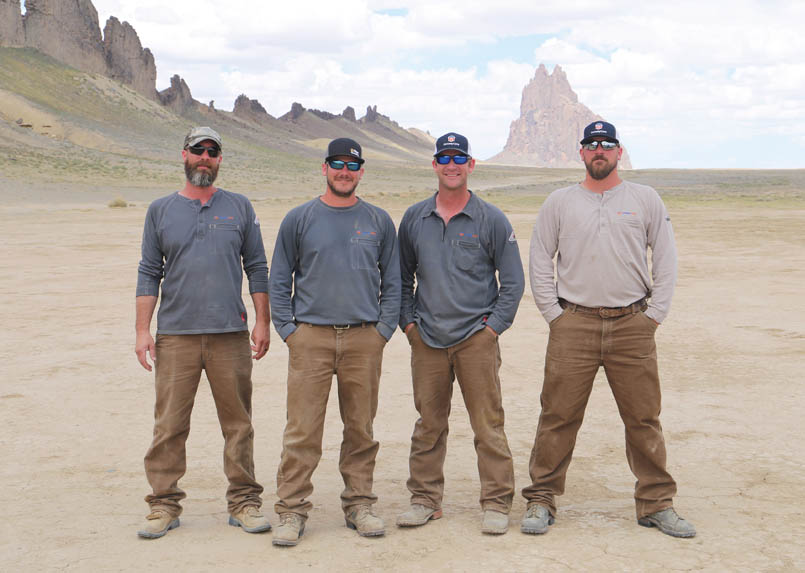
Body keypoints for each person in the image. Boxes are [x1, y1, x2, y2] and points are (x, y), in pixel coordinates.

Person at [522, 120, 696, 538]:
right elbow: (540, 258)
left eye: (607, 144)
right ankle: (541, 499)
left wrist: (654, 314)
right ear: (581, 153)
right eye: (591, 145)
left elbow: (666, 258)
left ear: (619, 152)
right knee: (558, 415)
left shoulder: (644, 199)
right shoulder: (560, 202)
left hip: (632, 324)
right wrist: (553, 313)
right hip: (573, 324)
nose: (599, 150)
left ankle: (655, 503)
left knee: (643, 417)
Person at [134, 127, 272, 539]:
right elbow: (148, 272)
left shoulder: (239, 207)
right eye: (199, 150)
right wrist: (143, 330)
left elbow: (257, 268)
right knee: (170, 424)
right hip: (175, 335)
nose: (205, 158)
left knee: (238, 424)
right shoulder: (161, 210)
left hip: (231, 334)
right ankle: (163, 504)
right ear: (184, 155)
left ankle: (244, 501)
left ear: (219, 160)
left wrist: (262, 321)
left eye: (213, 152)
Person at [268, 138, 400, 547]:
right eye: (338, 164)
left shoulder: (378, 221)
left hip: (364, 339)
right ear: (324, 168)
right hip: (311, 338)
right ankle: (291, 510)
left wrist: (382, 332)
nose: (345, 171)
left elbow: (393, 282)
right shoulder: (299, 219)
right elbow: (278, 280)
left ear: (361, 172)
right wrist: (290, 332)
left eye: (353, 165)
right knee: (302, 430)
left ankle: (359, 504)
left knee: (360, 428)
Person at [396, 133, 525, 535]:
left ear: (471, 165)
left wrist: (492, 330)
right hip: (428, 340)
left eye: (459, 158)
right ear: (434, 165)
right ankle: (424, 499)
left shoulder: (491, 219)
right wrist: (410, 326)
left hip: (476, 340)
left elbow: (514, 283)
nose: (451, 165)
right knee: (428, 424)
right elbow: (401, 280)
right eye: (444, 158)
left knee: (488, 424)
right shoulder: (415, 219)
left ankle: (497, 502)